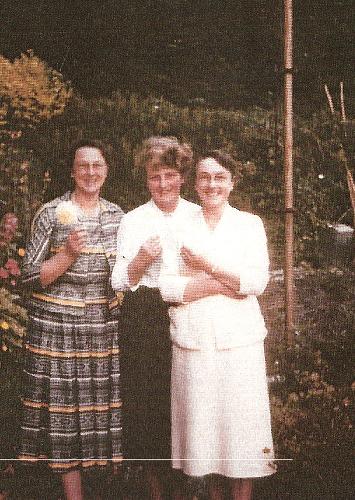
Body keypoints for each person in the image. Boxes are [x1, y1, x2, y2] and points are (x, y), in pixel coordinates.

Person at [159, 150, 276, 500]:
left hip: (238, 346)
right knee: (206, 442)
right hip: (194, 345)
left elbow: (255, 282)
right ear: (195, 183)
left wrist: (206, 268)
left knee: (241, 438)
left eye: (220, 177)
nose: (212, 184)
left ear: (231, 182)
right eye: (205, 177)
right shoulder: (178, 226)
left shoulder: (249, 224)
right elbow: (168, 287)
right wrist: (225, 284)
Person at [19, 140, 124, 500]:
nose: (90, 173)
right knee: (63, 418)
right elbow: (29, 279)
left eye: (97, 165)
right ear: (71, 171)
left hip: (100, 330)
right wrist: (66, 254)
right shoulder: (51, 213)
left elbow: (125, 277)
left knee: (93, 418)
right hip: (57, 329)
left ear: (107, 170)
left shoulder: (117, 216)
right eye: (83, 166)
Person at [111, 136, 200, 499]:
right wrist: (141, 262)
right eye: (154, 177)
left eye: (168, 175)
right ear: (145, 180)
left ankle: (187, 487)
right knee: (148, 402)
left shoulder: (197, 214)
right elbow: (119, 279)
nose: (162, 184)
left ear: (181, 176)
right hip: (145, 316)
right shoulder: (133, 220)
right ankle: (154, 491)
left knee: (187, 399)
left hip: (190, 309)